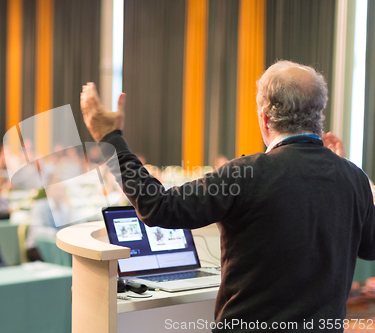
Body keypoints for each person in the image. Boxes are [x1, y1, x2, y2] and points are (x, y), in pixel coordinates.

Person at [80, 60, 375, 331]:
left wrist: (111, 140)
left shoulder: (246, 174)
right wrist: (343, 173)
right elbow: (369, 247)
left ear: (264, 118)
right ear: (319, 115)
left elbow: (159, 207)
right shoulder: (354, 178)